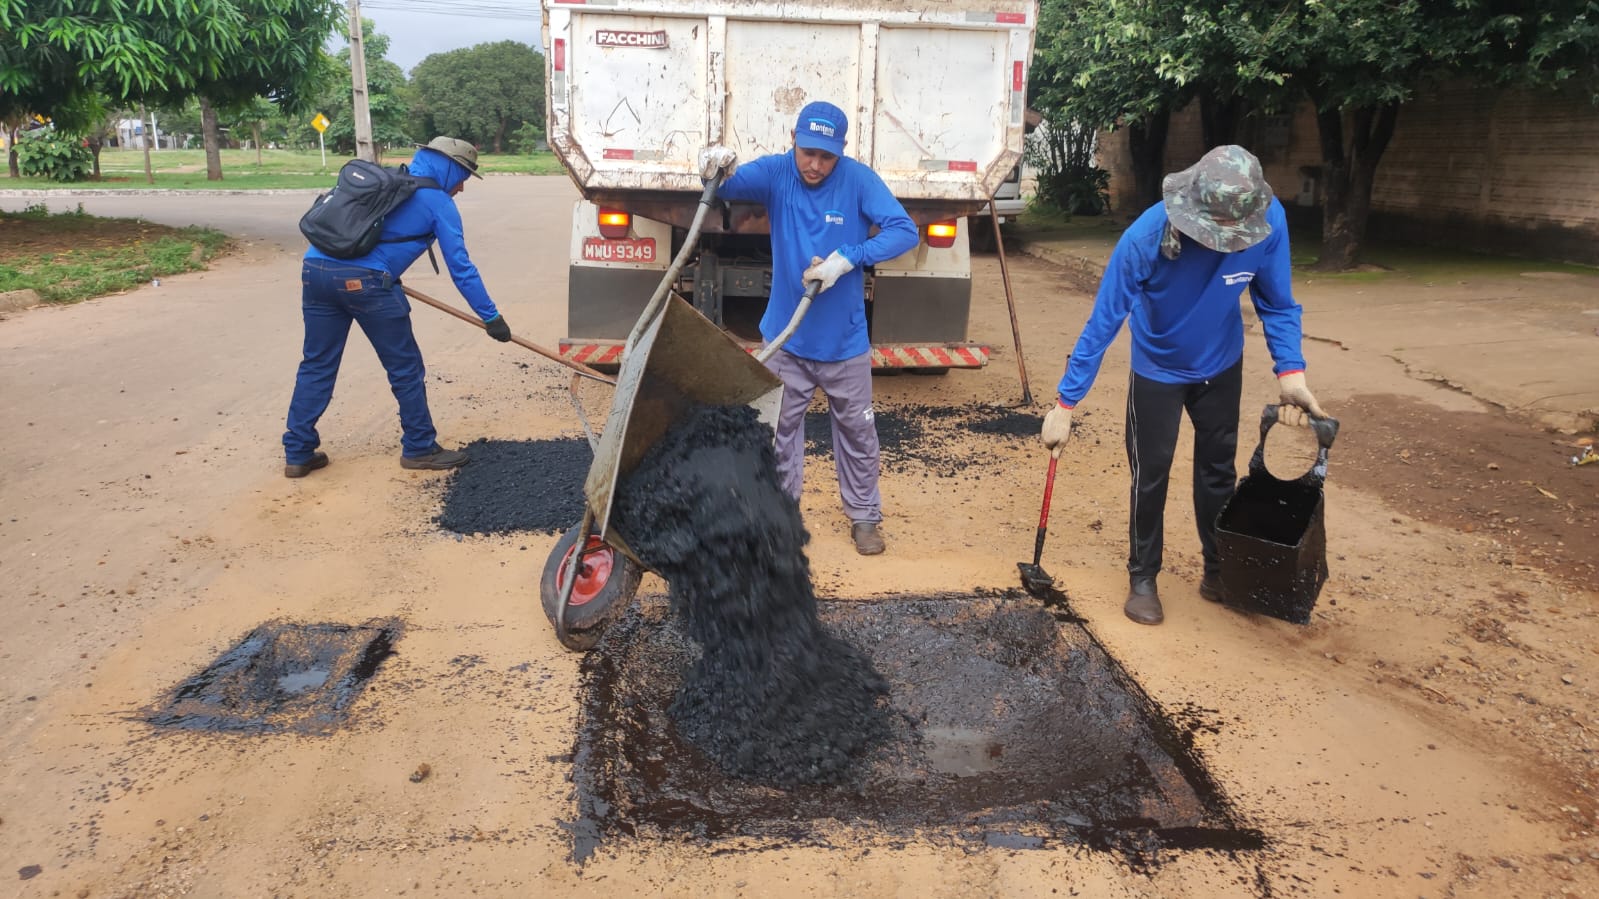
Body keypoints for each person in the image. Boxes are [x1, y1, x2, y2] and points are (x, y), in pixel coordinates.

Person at [1039, 144, 1329, 625]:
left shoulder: (1267, 219)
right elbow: (1103, 322)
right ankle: (1143, 577)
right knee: (1150, 474)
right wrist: (1066, 403)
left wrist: (1291, 372)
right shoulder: (1144, 237)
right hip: (1158, 369)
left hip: (1222, 363)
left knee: (1218, 472)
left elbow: (1277, 303)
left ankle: (1219, 571)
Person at [697, 101, 918, 555]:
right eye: (808, 152)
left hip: (844, 344)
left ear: (841, 151)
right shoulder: (777, 173)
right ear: (793, 140)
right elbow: (725, 184)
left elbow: (904, 230)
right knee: (777, 434)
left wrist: (850, 257)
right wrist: (712, 166)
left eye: (826, 156)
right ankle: (779, 517)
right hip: (786, 339)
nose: (815, 165)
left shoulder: (858, 181)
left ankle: (864, 517)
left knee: (858, 434)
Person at [282, 136, 512, 478]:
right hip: (366, 284)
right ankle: (419, 447)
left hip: (315, 272)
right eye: (463, 176)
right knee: (405, 367)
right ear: (448, 168)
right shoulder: (437, 202)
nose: (462, 187)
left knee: (317, 363)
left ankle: (298, 452)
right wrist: (491, 316)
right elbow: (461, 269)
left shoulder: (383, 181)